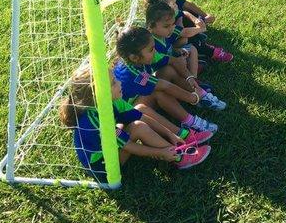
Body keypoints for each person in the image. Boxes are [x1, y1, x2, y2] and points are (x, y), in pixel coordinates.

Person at [59, 68, 211, 181]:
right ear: (97, 95)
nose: (119, 82)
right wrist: (161, 154)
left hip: (109, 145)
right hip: (104, 167)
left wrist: (170, 134)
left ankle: (180, 136)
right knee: (138, 127)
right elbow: (129, 146)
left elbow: (142, 115)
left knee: (140, 109)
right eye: (113, 82)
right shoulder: (95, 121)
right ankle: (178, 157)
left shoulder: (114, 101)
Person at [113, 26, 220, 132]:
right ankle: (190, 122)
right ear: (134, 58)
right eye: (151, 49)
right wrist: (192, 98)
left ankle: (201, 94)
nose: (155, 51)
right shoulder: (133, 75)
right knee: (158, 92)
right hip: (129, 116)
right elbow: (165, 86)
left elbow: (173, 61)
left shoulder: (139, 58)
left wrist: (190, 78)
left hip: (139, 101)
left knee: (167, 70)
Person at [145, 1, 226, 110]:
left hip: (173, 62)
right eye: (166, 26)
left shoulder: (166, 32)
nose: (171, 28)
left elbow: (173, 45)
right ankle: (196, 91)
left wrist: (177, 50)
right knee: (171, 69)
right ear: (151, 26)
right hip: (162, 74)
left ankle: (194, 82)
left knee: (191, 48)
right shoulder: (150, 43)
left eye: (173, 24)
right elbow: (165, 61)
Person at [151, 0, 233, 63]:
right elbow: (183, 31)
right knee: (187, 38)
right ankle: (208, 51)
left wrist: (203, 16)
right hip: (171, 41)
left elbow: (187, 6)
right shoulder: (162, 12)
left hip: (178, 33)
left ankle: (196, 44)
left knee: (187, 15)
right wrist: (197, 28)